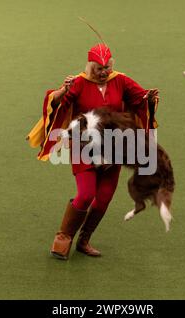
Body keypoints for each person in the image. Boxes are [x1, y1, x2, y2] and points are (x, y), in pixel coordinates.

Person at [27, 43, 159, 260]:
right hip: (84, 145)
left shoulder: (120, 80)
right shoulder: (79, 82)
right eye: (98, 68)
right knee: (86, 194)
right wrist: (63, 90)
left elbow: (140, 98)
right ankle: (63, 238)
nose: (103, 72)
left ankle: (84, 240)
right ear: (90, 67)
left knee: (104, 198)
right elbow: (58, 103)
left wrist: (149, 98)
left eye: (106, 67)